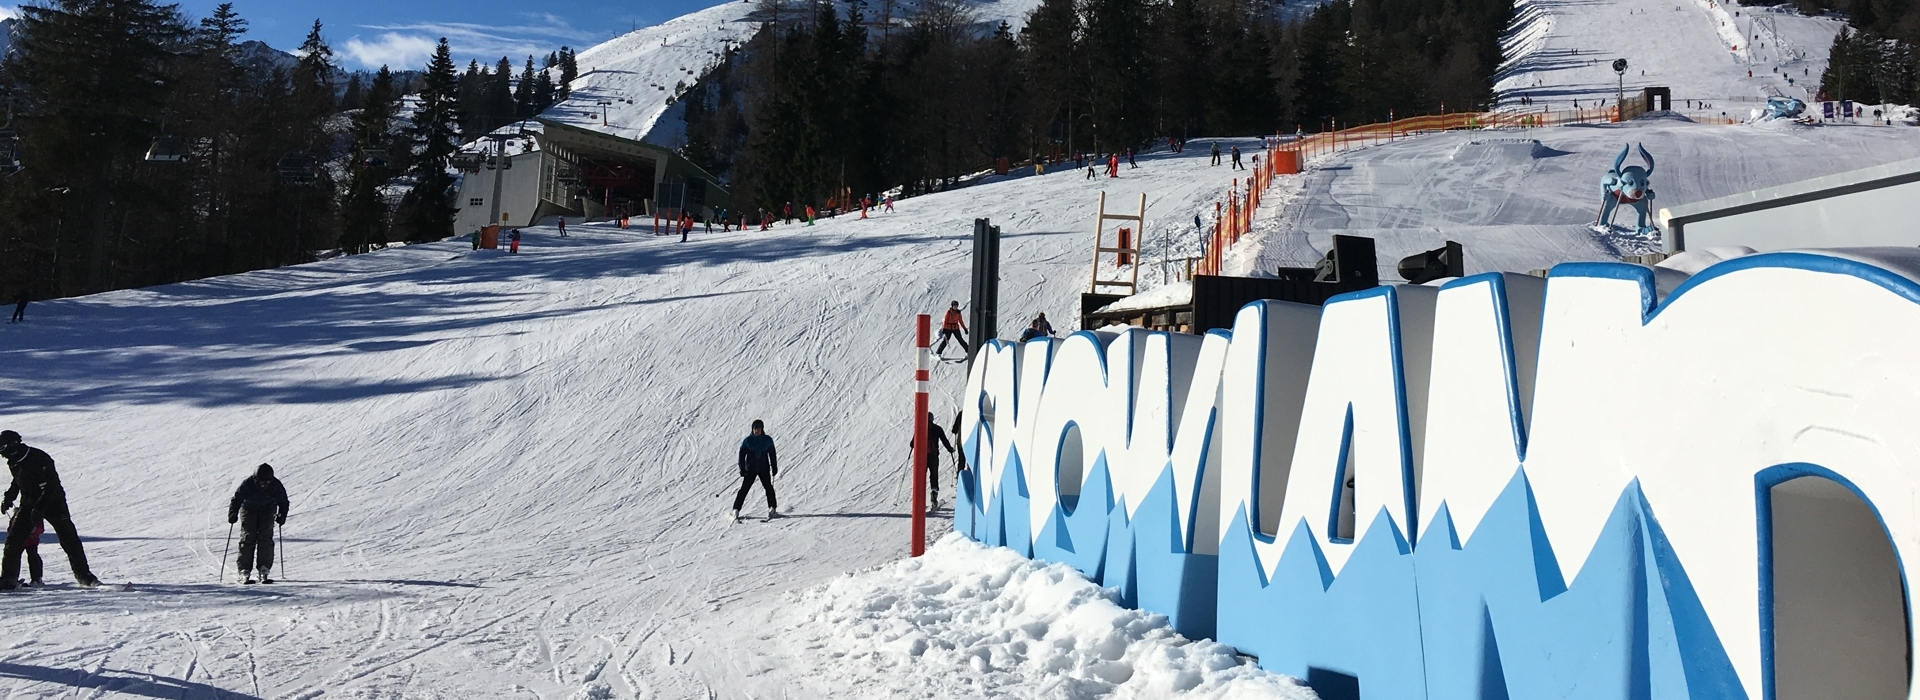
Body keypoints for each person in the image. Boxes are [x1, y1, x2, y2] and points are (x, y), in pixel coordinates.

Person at [0, 430, 100, 590]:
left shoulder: (39, 457)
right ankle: (7, 579)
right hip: (29, 503)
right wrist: (9, 498)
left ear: (13, 445)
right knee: (14, 540)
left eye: (3, 450)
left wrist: (40, 508)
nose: (3, 455)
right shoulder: (14, 461)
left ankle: (85, 576)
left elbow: (51, 485)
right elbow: (17, 481)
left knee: (68, 538)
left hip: (54, 502)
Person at [227, 463, 289, 584]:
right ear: (256, 479)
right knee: (248, 536)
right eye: (262, 481)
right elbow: (236, 499)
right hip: (249, 509)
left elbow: (283, 502)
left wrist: (282, 515)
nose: (264, 484)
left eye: (267, 482)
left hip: (268, 510)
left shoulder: (275, 485)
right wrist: (232, 513)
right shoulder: (247, 484)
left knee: (265, 537)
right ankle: (244, 570)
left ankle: (264, 568)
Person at [734, 420, 778, 522]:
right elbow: (741, 455)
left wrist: (774, 466)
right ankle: (736, 509)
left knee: (768, 488)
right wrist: (742, 468)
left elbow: (772, 454)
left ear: (762, 429)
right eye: (755, 429)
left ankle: (772, 507)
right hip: (751, 469)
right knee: (744, 489)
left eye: (758, 429)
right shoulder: (747, 441)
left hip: (764, 468)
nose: (756, 431)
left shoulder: (767, 440)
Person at [912, 412, 954, 511]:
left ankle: (919, 501)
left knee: (921, 477)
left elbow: (912, 443)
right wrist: (950, 449)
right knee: (934, 476)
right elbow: (944, 440)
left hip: (922, 457)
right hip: (933, 456)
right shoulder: (937, 428)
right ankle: (934, 497)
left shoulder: (920, 428)